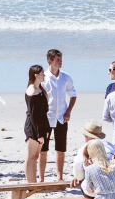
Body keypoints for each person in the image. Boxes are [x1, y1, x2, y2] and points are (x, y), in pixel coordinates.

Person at [43, 49, 77, 182]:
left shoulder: (65, 77)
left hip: (61, 117)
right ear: (50, 61)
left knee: (61, 149)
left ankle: (59, 177)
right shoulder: (44, 78)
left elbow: (73, 95)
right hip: (47, 117)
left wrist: (68, 111)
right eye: (58, 60)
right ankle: (41, 178)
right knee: (43, 149)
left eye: (61, 59)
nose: (60, 62)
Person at [22, 64, 50, 183]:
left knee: (35, 156)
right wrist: (39, 134)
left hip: (42, 125)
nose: (44, 75)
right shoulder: (32, 91)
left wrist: (46, 129)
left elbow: (43, 113)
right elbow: (34, 116)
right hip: (33, 127)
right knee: (30, 157)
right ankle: (31, 183)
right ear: (36, 75)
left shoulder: (40, 89)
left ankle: (33, 183)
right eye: (42, 73)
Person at [67, 120, 106, 186]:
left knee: (82, 180)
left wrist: (76, 177)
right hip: (112, 183)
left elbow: (79, 175)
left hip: (95, 185)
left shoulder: (84, 149)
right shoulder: (110, 146)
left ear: (85, 135)